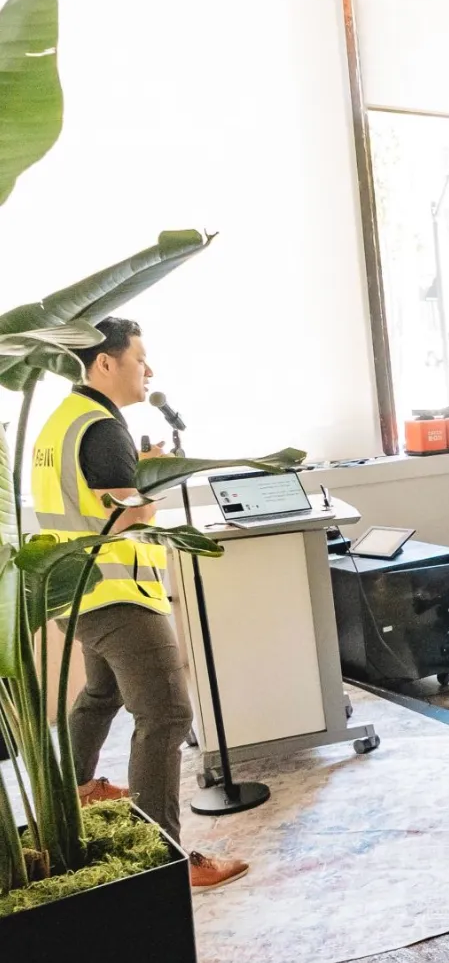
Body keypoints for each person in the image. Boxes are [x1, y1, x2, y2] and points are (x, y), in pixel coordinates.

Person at [34, 317, 248, 890]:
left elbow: (90, 498)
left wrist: (137, 472)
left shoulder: (62, 422)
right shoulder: (103, 427)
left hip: (76, 590)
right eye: (139, 359)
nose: (148, 371)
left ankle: (73, 797)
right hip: (117, 596)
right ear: (105, 362)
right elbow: (124, 513)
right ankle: (166, 860)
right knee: (167, 715)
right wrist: (149, 483)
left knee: (101, 694)